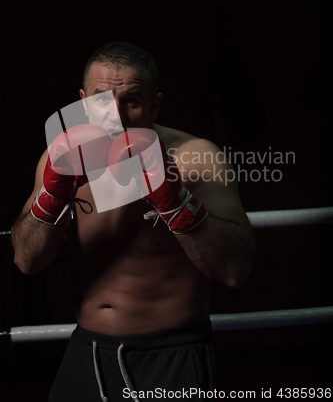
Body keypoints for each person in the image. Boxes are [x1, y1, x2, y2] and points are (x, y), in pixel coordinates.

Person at [11, 42, 255, 401]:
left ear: (155, 104)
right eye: (101, 101)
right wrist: (51, 200)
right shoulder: (60, 157)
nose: (116, 116)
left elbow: (235, 270)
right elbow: (26, 260)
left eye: (132, 101)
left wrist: (177, 203)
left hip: (172, 355)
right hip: (87, 352)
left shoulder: (195, 157)